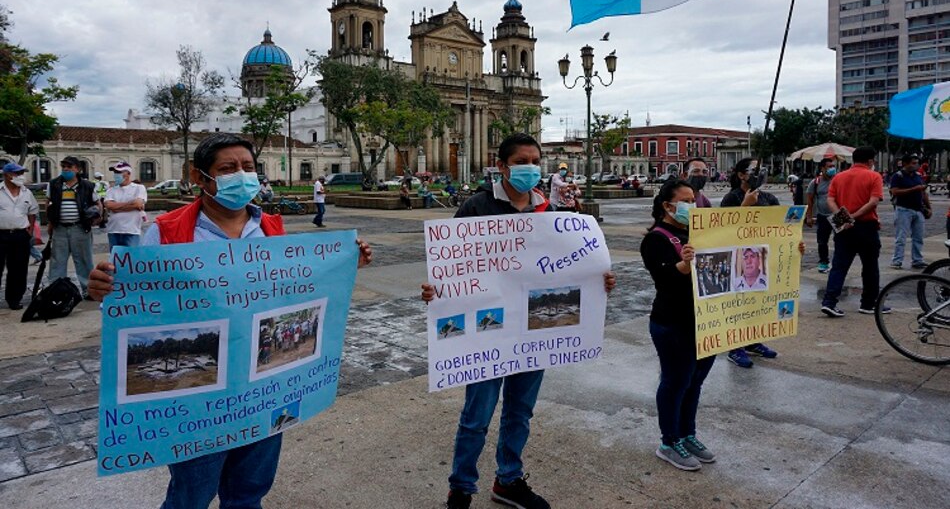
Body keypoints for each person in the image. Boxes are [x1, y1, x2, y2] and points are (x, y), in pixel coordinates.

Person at [87, 133, 373, 509]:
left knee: (249, 492)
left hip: (265, 392)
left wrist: (346, 264)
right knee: (191, 495)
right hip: (201, 404)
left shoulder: (271, 227)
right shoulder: (169, 231)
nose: (242, 175)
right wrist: (105, 290)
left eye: (248, 167)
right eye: (228, 168)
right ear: (200, 177)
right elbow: (139, 304)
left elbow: (294, 291)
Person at [421, 133, 615, 509]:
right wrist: (435, 290)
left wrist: (598, 280)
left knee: (519, 412)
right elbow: (451, 266)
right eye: (522, 161)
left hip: (532, 334)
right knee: (476, 416)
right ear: (502, 166)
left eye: (535, 160)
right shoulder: (476, 208)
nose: (530, 167)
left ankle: (508, 479)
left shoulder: (554, 214)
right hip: (488, 336)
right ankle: (461, 487)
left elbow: (570, 269)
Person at [640, 179, 715, 471]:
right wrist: (683, 265)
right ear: (668, 206)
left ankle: (688, 434)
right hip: (672, 323)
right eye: (685, 200)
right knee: (676, 382)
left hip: (706, 320)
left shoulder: (700, 232)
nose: (692, 205)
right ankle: (669, 441)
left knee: (694, 382)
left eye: (693, 199)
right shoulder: (656, 239)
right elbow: (665, 279)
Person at [720, 158, 780, 368]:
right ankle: (735, 347)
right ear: (741, 175)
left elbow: (779, 227)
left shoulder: (769, 198)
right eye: (754, 170)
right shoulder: (732, 198)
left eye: (761, 169)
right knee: (738, 305)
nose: (759, 173)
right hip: (738, 259)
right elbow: (724, 229)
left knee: (757, 303)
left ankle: (753, 340)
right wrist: (744, 207)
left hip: (762, 258)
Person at [820, 146, 885, 317]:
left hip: (843, 226)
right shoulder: (874, 176)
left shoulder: (839, 177)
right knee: (870, 266)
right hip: (866, 226)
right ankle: (868, 303)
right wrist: (854, 217)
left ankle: (829, 302)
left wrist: (842, 217)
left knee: (839, 266)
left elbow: (830, 200)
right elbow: (873, 202)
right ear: (870, 161)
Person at [46, 156, 99, 298]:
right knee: (57, 261)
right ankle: (56, 290)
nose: (65, 169)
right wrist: (51, 223)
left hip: (80, 228)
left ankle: (88, 290)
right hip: (60, 228)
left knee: (84, 260)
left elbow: (97, 204)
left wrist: (95, 219)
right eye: (64, 167)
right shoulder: (54, 184)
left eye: (69, 167)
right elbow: (49, 203)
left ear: (77, 169)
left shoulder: (88, 186)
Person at [0, 163, 39, 310]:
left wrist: (29, 231)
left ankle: (14, 299)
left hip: (20, 234)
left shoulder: (26, 192)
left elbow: (32, 212)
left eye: (22, 173)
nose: (20, 176)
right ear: (7, 175)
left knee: (18, 269)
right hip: (1, 234)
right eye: (17, 173)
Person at [889, 154, 930, 270]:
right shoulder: (898, 176)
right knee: (901, 237)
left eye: (916, 163)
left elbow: (923, 193)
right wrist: (914, 189)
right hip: (903, 209)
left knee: (918, 237)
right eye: (913, 163)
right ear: (905, 163)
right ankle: (897, 260)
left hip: (918, 210)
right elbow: (895, 192)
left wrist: (928, 207)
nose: (916, 165)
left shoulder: (918, 176)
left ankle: (917, 260)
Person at [104, 161, 147, 250]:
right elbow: (109, 205)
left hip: (131, 231)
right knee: (116, 260)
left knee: (132, 259)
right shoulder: (111, 190)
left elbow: (138, 203)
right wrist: (131, 204)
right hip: (113, 230)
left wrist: (117, 207)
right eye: (115, 172)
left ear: (128, 173)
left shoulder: (139, 188)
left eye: (119, 172)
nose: (116, 175)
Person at [805, 158, 836, 273]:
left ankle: (839, 262)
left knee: (842, 240)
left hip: (838, 214)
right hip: (822, 215)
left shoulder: (838, 180)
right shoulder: (816, 182)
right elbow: (810, 200)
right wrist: (809, 216)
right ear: (822, 168)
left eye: (833, 166)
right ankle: (824, 262)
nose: (832, 168)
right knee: (822, 241)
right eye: (829, 166)